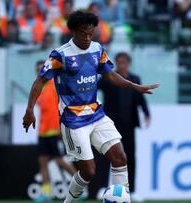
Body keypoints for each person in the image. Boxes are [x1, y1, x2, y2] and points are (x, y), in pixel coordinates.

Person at [22, 11, 159, 203]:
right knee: (88, 171)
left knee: (120, 157)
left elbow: (110, 75)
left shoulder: (97, 49)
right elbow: (40, 82)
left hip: (96, 115)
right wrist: (29, 110)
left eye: (90, 33)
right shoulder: (61, 55)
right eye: (82, 34)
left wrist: (133, 86)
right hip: (73, 120)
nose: (87, 38)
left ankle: (121, 200)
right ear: (73, 32)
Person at [97, 52, 150, 194]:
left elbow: (140, 99)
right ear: (116, 63)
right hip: (110, 125)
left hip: (129, 124)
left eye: (124, 62)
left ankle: (131, 190)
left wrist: (146, 113)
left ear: (128, 63)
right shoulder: (109, 78)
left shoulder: (134, 79)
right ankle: (103, 187)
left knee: (130, 156)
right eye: (119, 62)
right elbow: (93, 87)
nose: (122, 65)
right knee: (107, 155)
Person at [34, 60, 77, 202]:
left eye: (43, 69)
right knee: (43, 163)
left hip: (54, 131)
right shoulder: (39, 89)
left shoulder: (54, 86)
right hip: (42, 132)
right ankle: (46, 193)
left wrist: (61, 125)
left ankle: (80, 187)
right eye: (39, 70)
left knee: (60, 161)